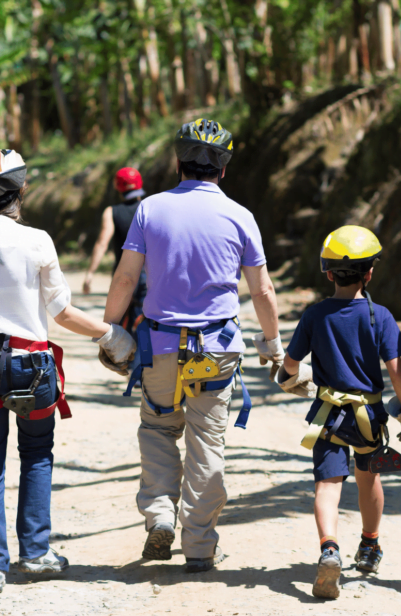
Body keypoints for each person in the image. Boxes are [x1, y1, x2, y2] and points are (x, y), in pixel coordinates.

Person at [0, 148, 135, 595]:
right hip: (32, 367)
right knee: (36, 454)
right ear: (21, 189)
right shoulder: (38, 241)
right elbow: (62, 313)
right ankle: (35, 554)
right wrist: (111, 336)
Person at [101, 118, 286, 573]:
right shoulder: (240, 216)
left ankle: (161, 514)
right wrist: (273, 343)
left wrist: (110, 331)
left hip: (160, 346)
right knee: (207, 444)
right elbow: (262, 290)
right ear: (223, 169)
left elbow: (126, 277)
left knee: (160, 430)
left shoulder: (150, 210)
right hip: (217, 349)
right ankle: (200, 545)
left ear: (177, 161)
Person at [278, 225, 401, 599]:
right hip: (369, 417)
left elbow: (291, 364)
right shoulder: (380, 316)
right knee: (368, 479)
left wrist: (287, 376)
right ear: (370, 272)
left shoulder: (315, 315)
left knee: (327, 485)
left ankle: (329, 548)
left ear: (327, 272)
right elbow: (396, 370)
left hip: (328, 415)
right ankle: (370, 546)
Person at [83, 167, 148, 336]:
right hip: (150, 275)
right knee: (146, 325)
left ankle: (127, 360)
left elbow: (102, 243)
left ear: (118, 187)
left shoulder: (112, 212)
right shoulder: (151, 208)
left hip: (124, 273)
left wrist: (90, 273)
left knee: (121, 329)